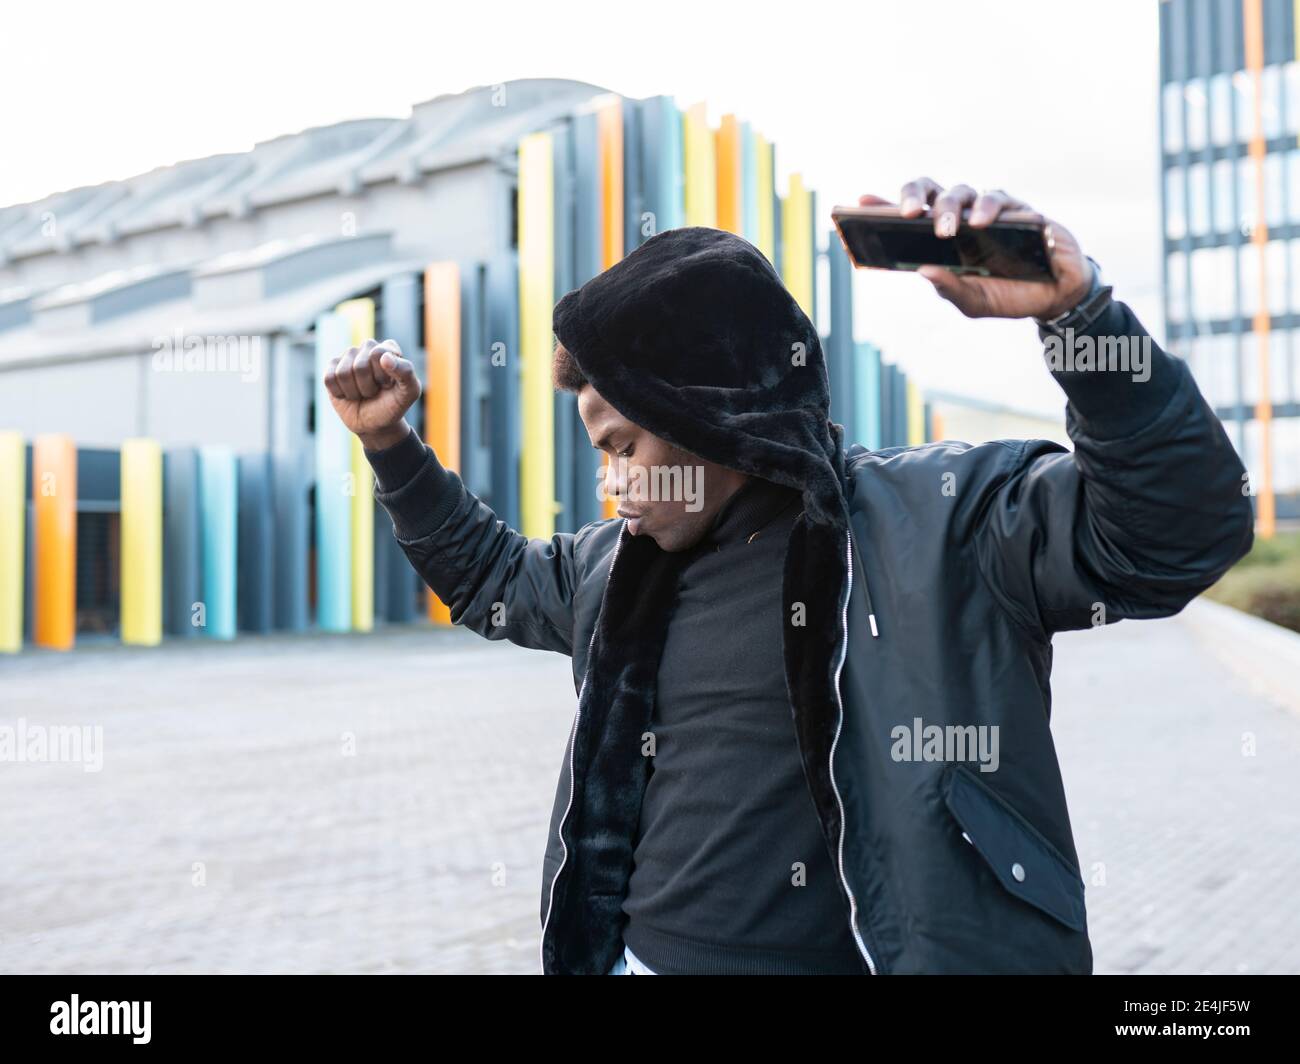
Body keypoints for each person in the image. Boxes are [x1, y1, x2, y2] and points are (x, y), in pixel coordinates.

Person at [322, 178, 1255, 975]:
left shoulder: (944, 521)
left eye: (622, 446)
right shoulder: (615, 570)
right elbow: (490, 579)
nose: (609, 487)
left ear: (706, 412)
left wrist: (1077, 315)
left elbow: (1175, 535)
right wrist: (390, 444)